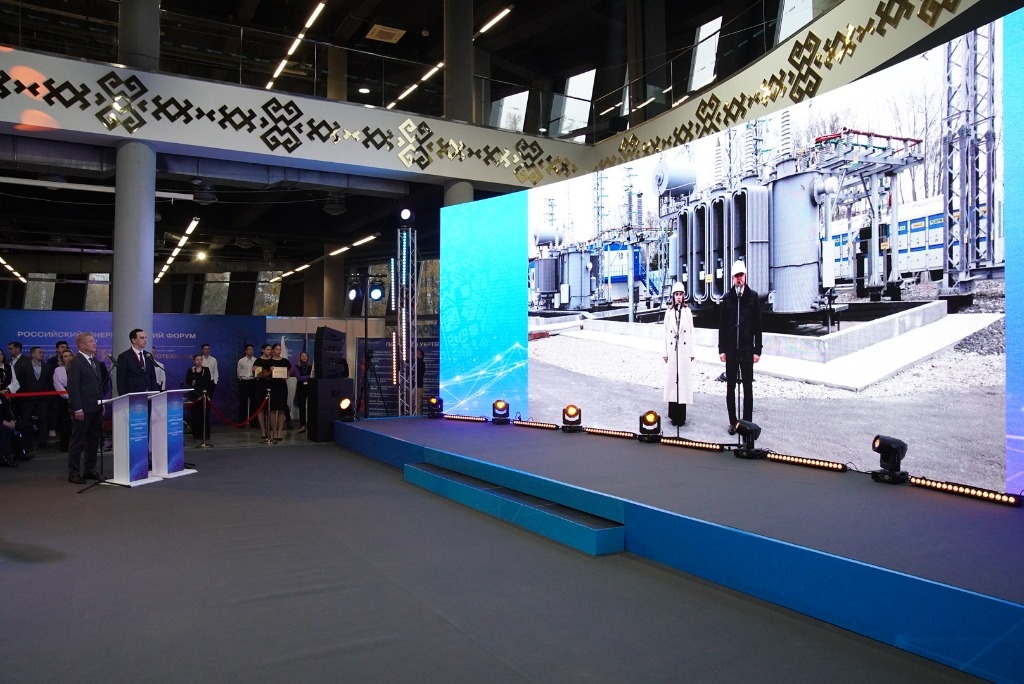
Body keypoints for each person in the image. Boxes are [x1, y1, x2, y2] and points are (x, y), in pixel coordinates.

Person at [718, 259, 762, 433]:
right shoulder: (727, 298)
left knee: (747, 388)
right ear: (732, 278)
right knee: (730, 388)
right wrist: (722, 349)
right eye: (736, 276)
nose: (739, 278)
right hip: (731, 350)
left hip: (747, 350)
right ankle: (733, 422)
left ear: (745, 276)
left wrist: (757, 350)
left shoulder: (752, 297)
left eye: (741, 275)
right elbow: (722, 326)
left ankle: (747, 424)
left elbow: (758, 325)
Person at [67, 332, 108, 484]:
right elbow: (73, 387)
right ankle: (73, 472)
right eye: (90, 341)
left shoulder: (95, 361)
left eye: (94, 341)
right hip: (82, 409)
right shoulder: (75, 362)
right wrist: (77, 408)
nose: (94, 343)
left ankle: (89, 469)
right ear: (81, 345)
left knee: (93, 440)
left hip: (95, 407)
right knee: (77, 441)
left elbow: (99, 385)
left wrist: (101, 403)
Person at [663, 281, 695, 426]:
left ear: (683, 296)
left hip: (683, 351)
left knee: (682, 382)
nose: (678, 297)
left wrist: (692, 352)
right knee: (672, 382)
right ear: (673, 296)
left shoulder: (687, 312)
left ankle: (681, 417)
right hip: (672, 351)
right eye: (676, 294)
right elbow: (665, 333)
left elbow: (692, 332)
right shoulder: (669, 312)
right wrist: (665, 352)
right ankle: (673, 415)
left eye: (681, 294)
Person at [15, 346, 53, 450]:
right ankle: (26, 443)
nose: (42, 354)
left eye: (42, 352)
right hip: (27, 399)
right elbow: (20, 382)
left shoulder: (47, 367)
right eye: (40, 352)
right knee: (26, 420)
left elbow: (50, 383)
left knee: (44, 420)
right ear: (32, 354)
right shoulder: (24, 366)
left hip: (43, 399)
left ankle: (42, 442)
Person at [116, 328, 159, 396]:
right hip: (133, 396)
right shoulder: (124, 357)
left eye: (145, 337)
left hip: (149, 395)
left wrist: (155, 394)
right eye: (142, 338)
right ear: (133, 340)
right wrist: (124, 398)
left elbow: (152, 377)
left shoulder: (148, 355)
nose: (145, 340)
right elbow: (121, 380)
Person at [184, 354, 214, 443]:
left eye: (200, 359)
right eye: (197, 360)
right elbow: (188, 382)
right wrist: (194, 375)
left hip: (204, 395)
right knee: (195, 415)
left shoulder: (206, 370)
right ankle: (196, 435)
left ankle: (205, 435)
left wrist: (196, 382)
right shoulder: (190, 370)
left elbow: (207, 382)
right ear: (194, 361)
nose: (199, 361)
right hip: (194, 396)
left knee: (205, 415)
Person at [266, 343, 291, 442]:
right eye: (276, 349)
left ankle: (280, 431)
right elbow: (265, 375)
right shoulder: (269, 362)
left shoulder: (285, 361)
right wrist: (270, 371)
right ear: (273, 350)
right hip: (272, 387)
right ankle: (274, 431)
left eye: (280, 349)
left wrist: (286, 376)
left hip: (282, 387)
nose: (278, 351)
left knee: (282, 409)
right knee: (272, 410)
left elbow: (288, 372)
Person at [52, 349, 75, 452]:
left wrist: (75, 396)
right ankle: (66, 445)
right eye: (65, 356)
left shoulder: (77, 368)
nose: (68, 358)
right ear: (62, 359)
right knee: (65, 423)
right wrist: (68, 396)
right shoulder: (58, 370)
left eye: (70, 355)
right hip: (63, 399)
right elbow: (57, 384)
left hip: (77, 396)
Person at [252, 344, 273, 438]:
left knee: (270, 408)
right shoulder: (258, 361)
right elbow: (258, 374)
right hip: (261, 386)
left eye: (270, 349)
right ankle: (263, 431)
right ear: (263, 350)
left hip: (272, 385)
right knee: (261, 408)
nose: (269, 351)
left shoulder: (273, 360)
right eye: (268, 349)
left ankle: (269, 429)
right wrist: (268, 372)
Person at [289, 350, 312, 433]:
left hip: (310, 387)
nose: (304, 357)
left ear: (308, 357)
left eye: (305, 356)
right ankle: (302, 426)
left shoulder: (311, 366)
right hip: (301, 388)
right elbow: (299, 378)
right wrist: (308, 377)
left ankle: (311, 425)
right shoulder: (296, 367)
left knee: (312, 406)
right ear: (300, 358)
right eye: (302, 356)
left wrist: (306, 377)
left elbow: (313, 376)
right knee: (302, 407)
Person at [236, 344, 257, 426]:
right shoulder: (241, 361)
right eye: (249, 349)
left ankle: (253, 422)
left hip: (253, 381)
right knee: (242, 403)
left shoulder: (256, 360)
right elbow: (238, 373)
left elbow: (258, 373)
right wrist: (242, 379)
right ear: (245, 351)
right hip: (244, 382)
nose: (251, 351)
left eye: (252, 349)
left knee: (254, 403)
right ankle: (242, 422)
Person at [0, 391, 22, 467]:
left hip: (5, 421)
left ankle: (20, 453)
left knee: (22, 427)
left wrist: (12, 420)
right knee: (4, 430)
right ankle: (4, 457)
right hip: (2, 422)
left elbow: (8, 410)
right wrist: (5, 423)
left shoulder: (2, 396)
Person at [413, 347, 425, 415]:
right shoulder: (411, 363)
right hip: (410, 386)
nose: (416, 353)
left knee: (417, 404)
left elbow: (420, 374)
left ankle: (417, 417)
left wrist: (416, 359)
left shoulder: (421, 363)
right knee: (410, 403)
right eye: (415, 352)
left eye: (418, 353)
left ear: (421, 356)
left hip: (418, 386)